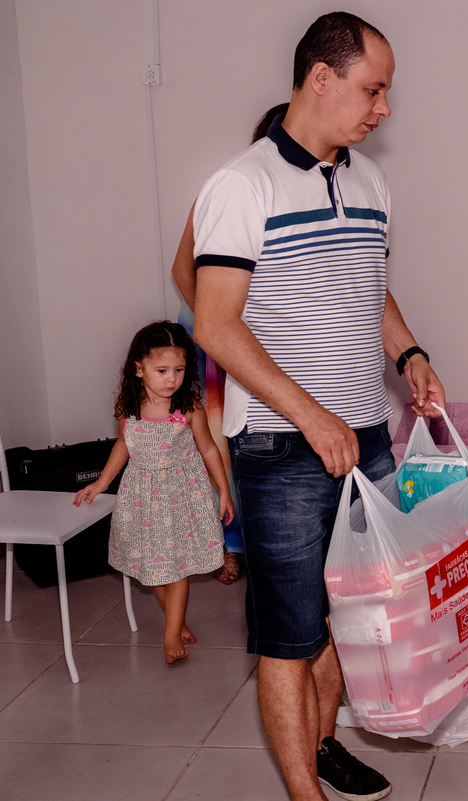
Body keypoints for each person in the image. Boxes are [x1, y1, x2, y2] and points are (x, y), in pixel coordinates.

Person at [192, 13, 444, 801]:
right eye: (374, 90)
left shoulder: (370, 181)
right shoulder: (242, 185)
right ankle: (304, 791)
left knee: (354, 616)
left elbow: (369, 289)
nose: (384, 109)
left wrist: (409, 354)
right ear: (321, 78)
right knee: (289, 634)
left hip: (366, 436)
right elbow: (214, 323)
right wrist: (309, 413)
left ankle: (323, 743)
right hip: (281, 446)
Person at [172, 102, 290, 585]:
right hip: (224, 347)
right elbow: (183, 268)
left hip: (282, 347)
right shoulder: (229, 189)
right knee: (223, 445)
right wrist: (221, 327)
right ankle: (230, 544)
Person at [73, 322, 234, 664]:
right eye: (162, 370)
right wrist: (102, 482)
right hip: (143, 498)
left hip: (182, 497)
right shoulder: (128, 407)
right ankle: (177, 622)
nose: (171, 379)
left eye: (179, 369)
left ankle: (171, 633)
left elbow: (208, 449)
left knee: (175, 568)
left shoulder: (188, 408)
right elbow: (123, 444)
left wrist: (223, 489)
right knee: (154, 569)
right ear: (139, 368)